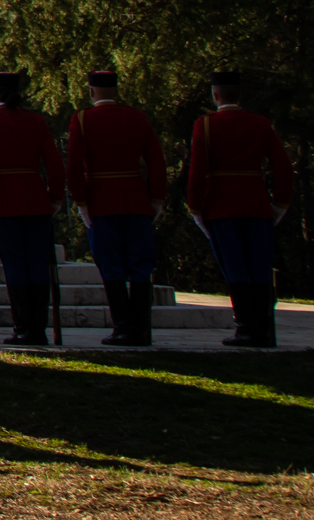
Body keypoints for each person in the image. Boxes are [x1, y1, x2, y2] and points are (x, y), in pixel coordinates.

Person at [186, 68, 294, 349]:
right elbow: (283, 167)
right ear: (240, 94)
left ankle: (245, 328)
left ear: (215, 94)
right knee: (259, 268)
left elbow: (197, 171)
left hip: (221, 205)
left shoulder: (205, 125)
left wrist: (195, 207)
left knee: (235, 267)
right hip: (257, 204)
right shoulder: (260, 123)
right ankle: (264, 330)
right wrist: (279, 205)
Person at [65, 67, 166, 348]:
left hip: (101, 200)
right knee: (140, 265)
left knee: (111, 266)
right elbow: (156, 162)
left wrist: (82, 201)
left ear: (91, 91)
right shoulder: (137, 117)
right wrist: (156, 198)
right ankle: (142, 329)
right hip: (135, 197)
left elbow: (74, 166)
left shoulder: (82, 120)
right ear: (117, 90)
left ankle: (123, 327)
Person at [0, 70, 66, 346]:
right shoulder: (36, 121)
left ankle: (23, 327)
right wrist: (55, 198)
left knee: (14, 265)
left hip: (3, 201)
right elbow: (55, 164)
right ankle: (38, 328)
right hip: (36, 199)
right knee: (37, 265)